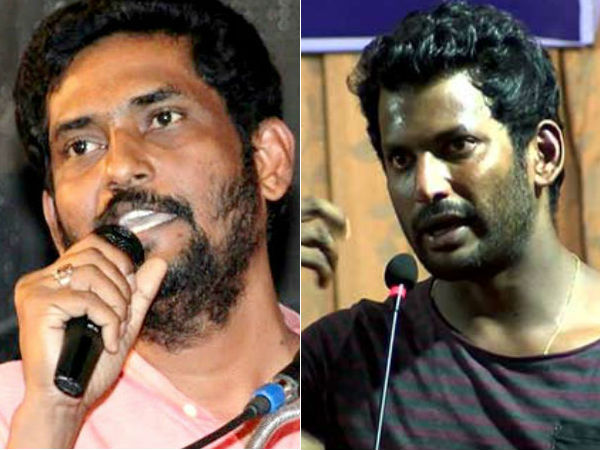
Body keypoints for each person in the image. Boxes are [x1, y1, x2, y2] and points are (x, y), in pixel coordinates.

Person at [0, 0, 299, 448]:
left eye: (163, 119)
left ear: (267, 161)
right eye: (81, 146)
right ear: (54, 220)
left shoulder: (364, 384)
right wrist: (52, 417)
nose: (120, 167)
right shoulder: (19, 415)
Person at [301, 1, 600, 449]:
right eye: (401, 160)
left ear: (543, 154)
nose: (426, 186)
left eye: (458, 146)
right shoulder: (350, 356)